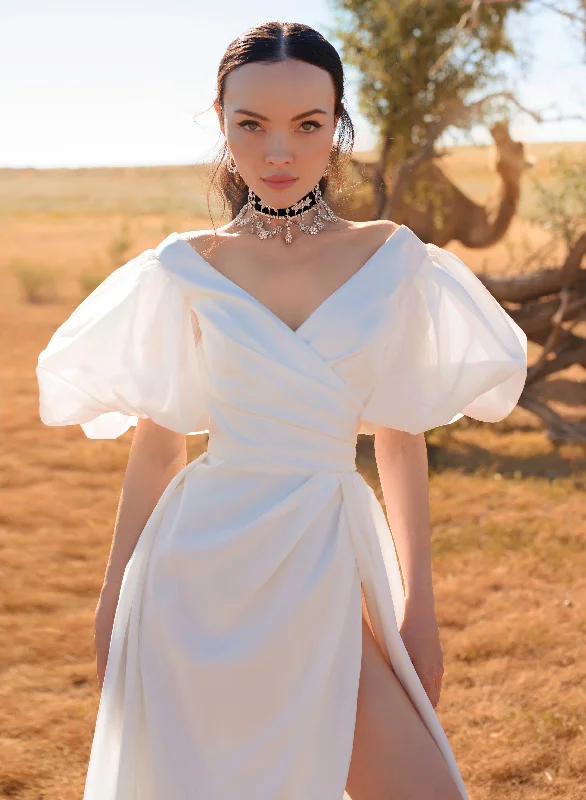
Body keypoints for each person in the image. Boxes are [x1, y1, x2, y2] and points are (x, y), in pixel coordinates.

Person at [36, 20, 527, 800]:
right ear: (223, 127)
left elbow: (399, 441)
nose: (278, 153)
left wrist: (419, 609)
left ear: (338, 127)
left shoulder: (391, 256)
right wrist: (110, 603)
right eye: (251, 125)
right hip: (196, 576)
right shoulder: (186, 266)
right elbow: (159, 447)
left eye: (307, 125)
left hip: (327, 552)